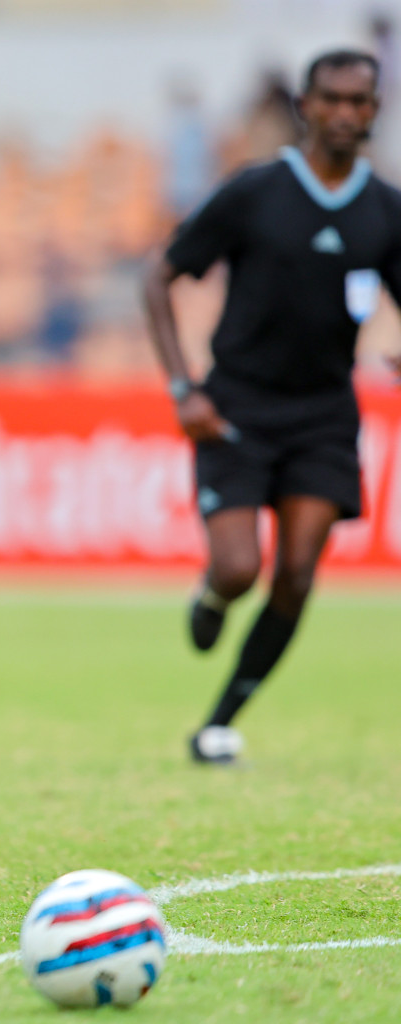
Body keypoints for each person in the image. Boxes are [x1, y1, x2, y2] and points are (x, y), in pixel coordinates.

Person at [142, 50, 401, 766]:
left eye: (361, 101)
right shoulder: (255, 192)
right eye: (334, 100)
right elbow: (160, 277)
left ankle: (221, 720)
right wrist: (182, 389)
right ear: (307, 107)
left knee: (296, 571)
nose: (347, 113)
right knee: (237, 569)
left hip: (323, 415)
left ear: (374, 110)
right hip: (237, 406)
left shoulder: (385, 209)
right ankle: (215, 596)